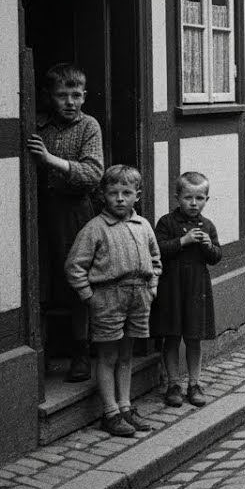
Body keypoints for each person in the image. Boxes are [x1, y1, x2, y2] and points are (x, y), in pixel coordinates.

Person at [65, 165, 162, 438]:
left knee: (127, 354)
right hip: (108, 298)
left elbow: (155, 259)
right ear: (103, 196)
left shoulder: (142, 226)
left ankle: (126, 407)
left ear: (137, 196)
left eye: (126, 192)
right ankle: (110, 413)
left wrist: (152, 286)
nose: (120, 198)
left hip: (138, 296)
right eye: (113, 193)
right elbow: (74, 266)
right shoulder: (94, 229)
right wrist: (89, 296)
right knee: (108, 356)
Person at [28, 63, 104, 383]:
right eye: (62, 95)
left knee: (78, 280)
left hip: (76, 213)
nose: (70, 102)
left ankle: (80, 352)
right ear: (49, 97)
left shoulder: (88, 127)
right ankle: (42, 355)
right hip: (43, 212)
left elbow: (92, 173)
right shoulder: (38, 126)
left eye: (76, 95)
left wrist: (50, 161)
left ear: (84, 96)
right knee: (42, 282)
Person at [152, 171, 222, 409]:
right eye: (188, 198)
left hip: (196, 289)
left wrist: (208, 245)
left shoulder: (208, 225)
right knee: (171, 337)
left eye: (200, 198)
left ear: (206, 199)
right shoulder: (166, 223)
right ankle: (173, 384)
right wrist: (183, 241)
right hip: (172, 289)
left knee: (194, 338)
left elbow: (216, 257)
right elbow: (158, 250)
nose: (194, 203)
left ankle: (194, 383)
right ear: (177, 198)